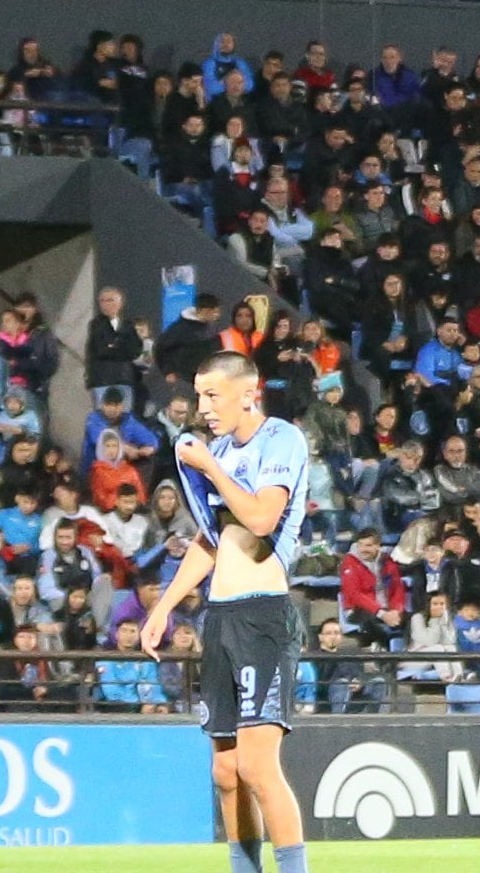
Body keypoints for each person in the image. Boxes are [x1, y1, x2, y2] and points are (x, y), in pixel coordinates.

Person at [143, 353, 317, 873]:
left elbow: (262, 518)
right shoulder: (217, 449)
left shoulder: (279, 439)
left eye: (212, 395)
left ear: (248, 392)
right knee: (224, 771)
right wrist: (165, 607)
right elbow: (211, 539)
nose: (203, 407)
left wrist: (212, 470)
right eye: (199, 396)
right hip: (218, 617)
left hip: (263, 616)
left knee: (257, 766)